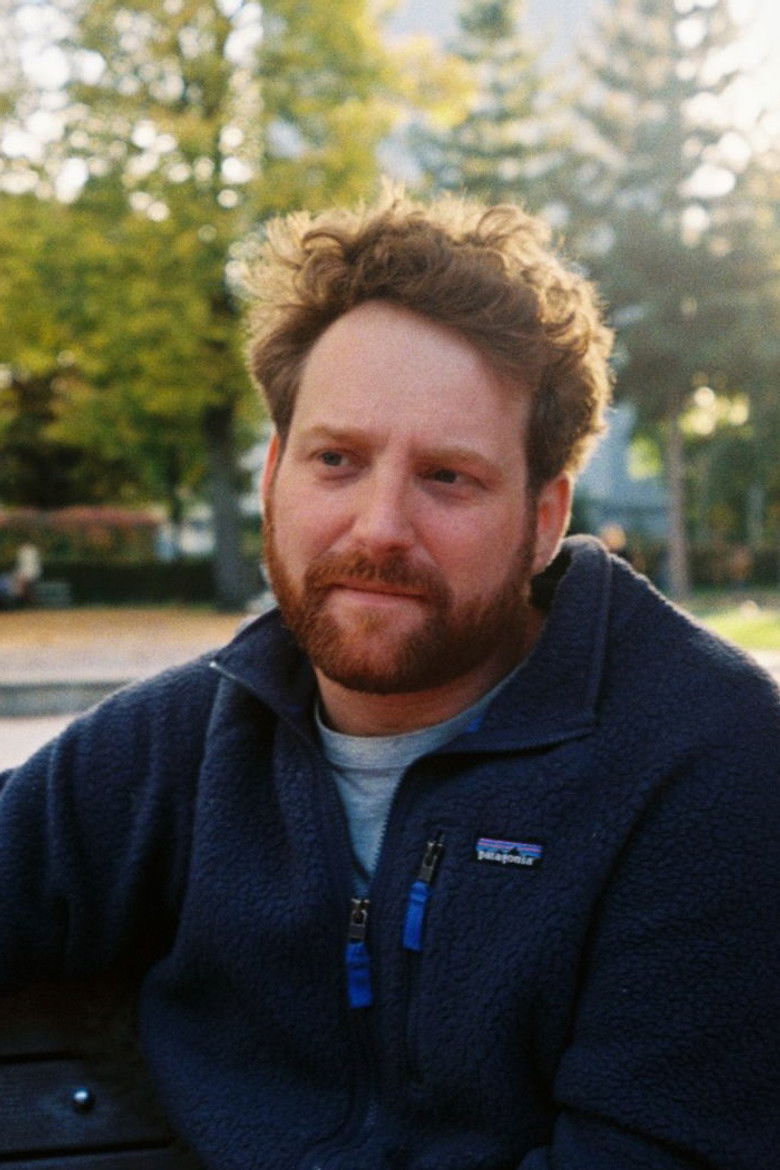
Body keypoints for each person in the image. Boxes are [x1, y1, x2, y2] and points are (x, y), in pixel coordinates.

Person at [1, 191, 778, 1170]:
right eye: (337, 459)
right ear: (274, 477)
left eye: (447, 476)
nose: (378, 527)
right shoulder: (188, 742)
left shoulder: (708, 766)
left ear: (544, 520)